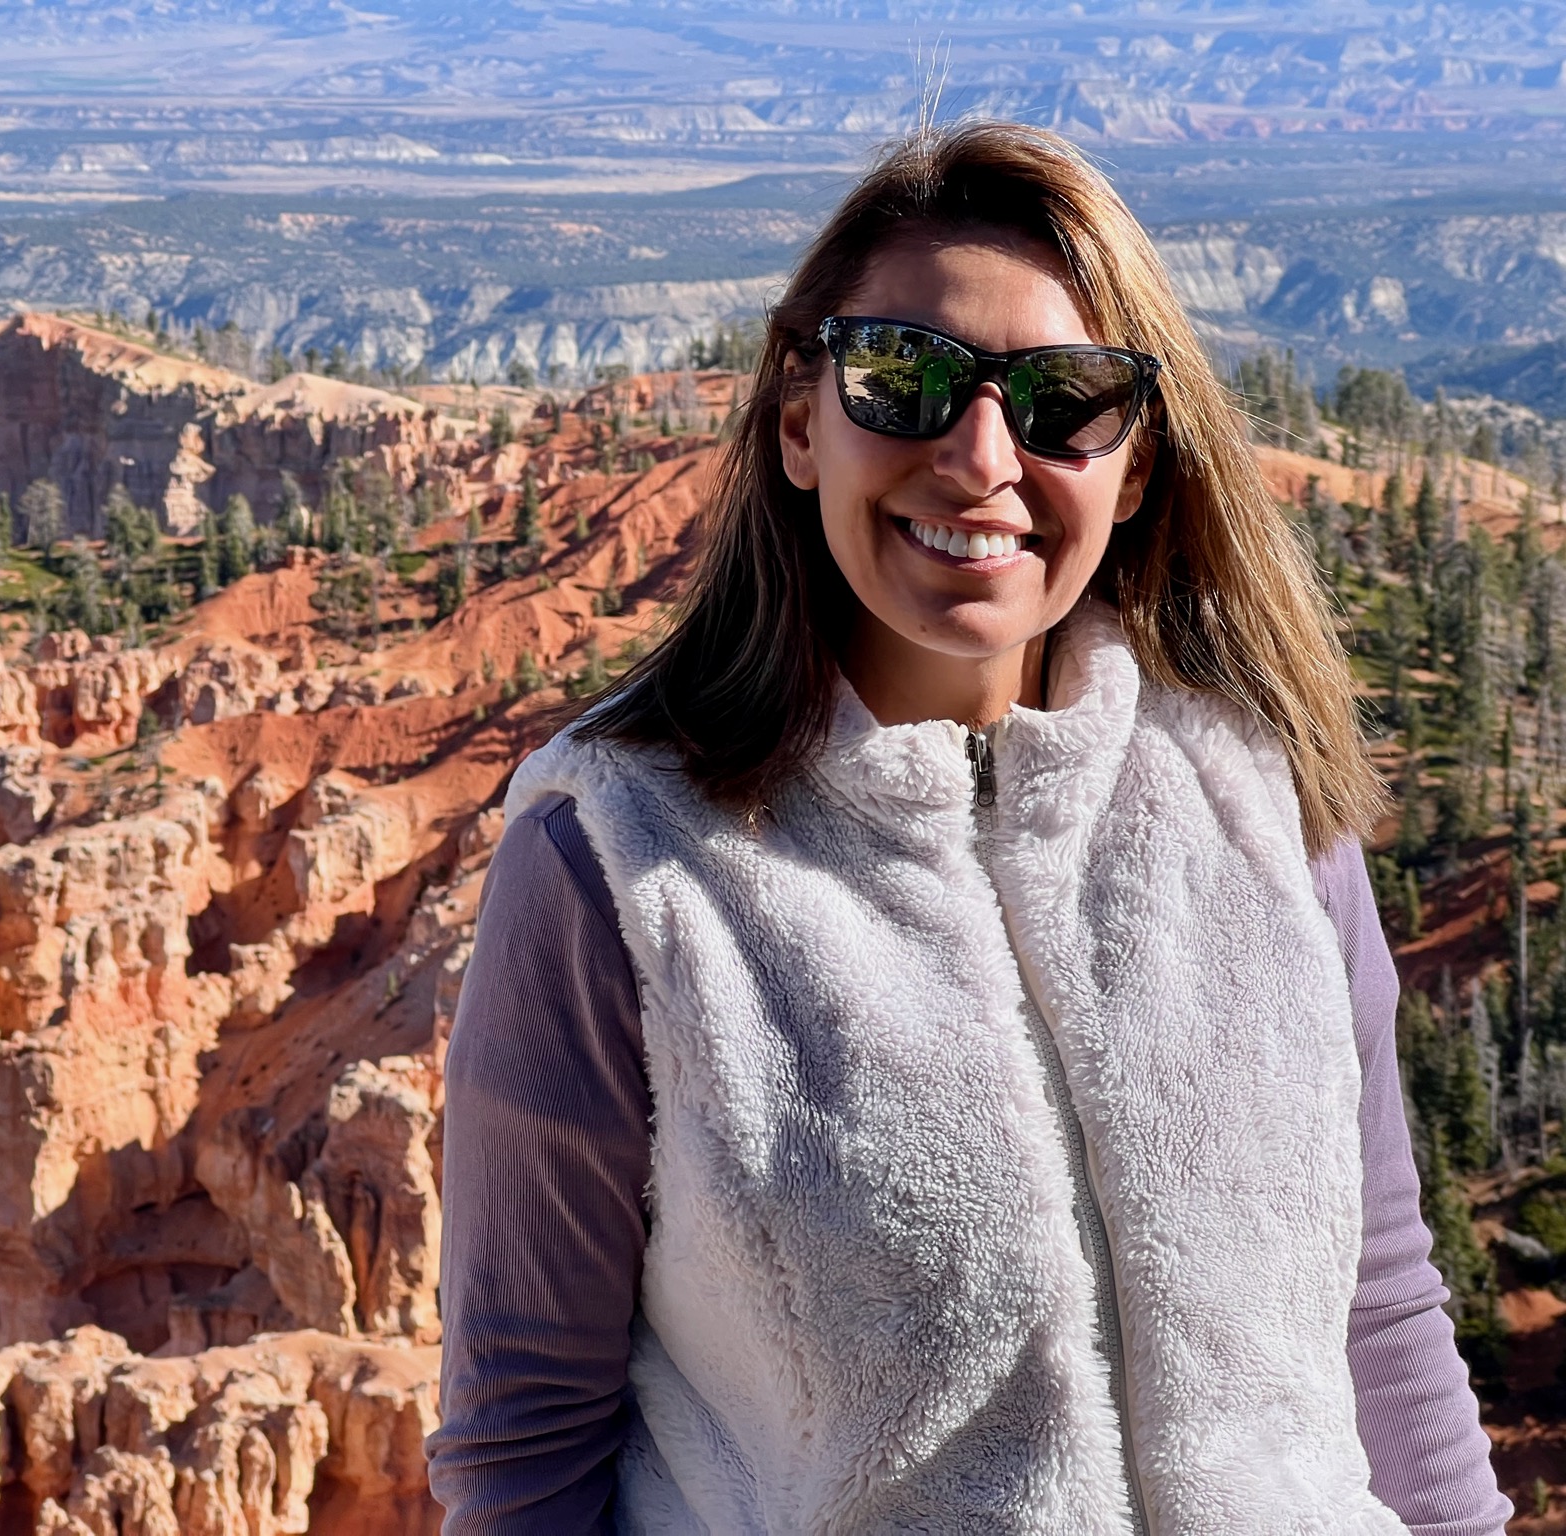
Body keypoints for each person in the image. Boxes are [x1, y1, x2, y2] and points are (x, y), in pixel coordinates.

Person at [426, 121, 1515, 1534]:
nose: (981, 456)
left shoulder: (1269, 812)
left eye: (1066, 398)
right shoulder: (617, 863)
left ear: (1137, 463)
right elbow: (526, 1443)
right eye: (905, 378)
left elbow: (1378, 1306)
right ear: (799, 417)